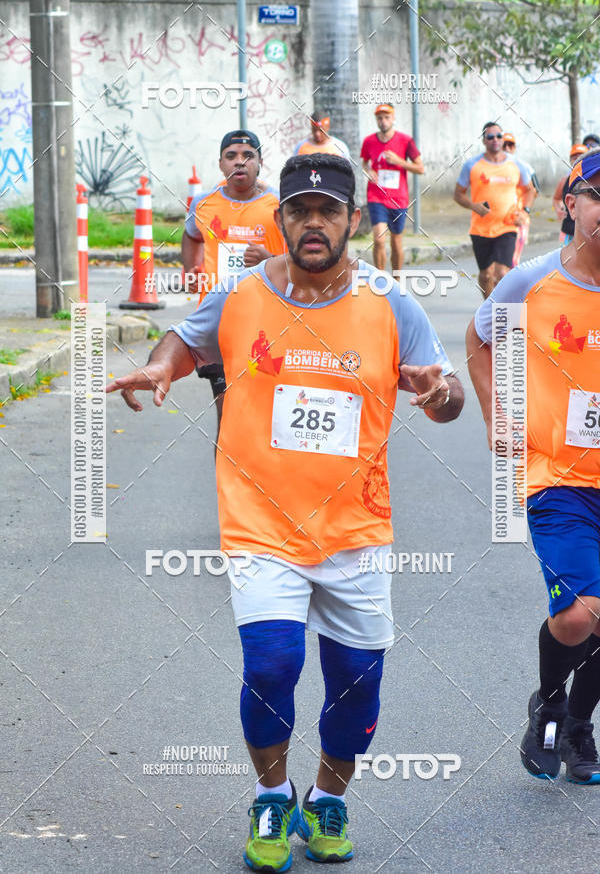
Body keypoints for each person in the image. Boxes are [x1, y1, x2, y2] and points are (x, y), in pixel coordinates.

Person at [108, 153, 464, 870]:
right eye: (300, 211)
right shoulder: (240, 293)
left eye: (328, 211)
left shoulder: (391, 301)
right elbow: (187, 337)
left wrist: (437, 394)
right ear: (281, 219)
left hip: (355, 528)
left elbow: (449, 397)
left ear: (352, 220)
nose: (313, 223)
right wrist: (161, 365)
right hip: (259, 522)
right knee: (272, 663)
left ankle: (327, 798)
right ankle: (272, 794)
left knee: (357, 680)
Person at [466, 147, 600, 785]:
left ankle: (576, 726)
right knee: (580, 613)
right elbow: (479, 339)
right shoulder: (531, 282)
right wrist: (496, 413)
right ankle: (549, 701)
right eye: (598, 195)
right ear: (571, 204)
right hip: (557, 476)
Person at [181, 129, 286, 424]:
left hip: (266, 323)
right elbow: (191, 235)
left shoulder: (280, 206)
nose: (239, 162)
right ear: (220, 164)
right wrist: (190, 270)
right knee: (227, 412)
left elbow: (303, 262)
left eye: (248, 156)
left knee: (263, 413)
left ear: (260, 162)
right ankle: (228, 456)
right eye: (231, 156)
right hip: (218, 321)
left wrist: (269, 261)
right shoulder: (202, 204)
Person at [454, 121, 536, 298]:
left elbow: (530, 190)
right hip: (480, 229)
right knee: (486, 274)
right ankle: (488, 305)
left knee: (502, 273)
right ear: (484, 140)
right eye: (490, 137)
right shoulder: (472, 165)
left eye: (499, 136)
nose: (495, 140)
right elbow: (458, 194)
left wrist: (525, 212)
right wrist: (473, 205)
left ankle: (501, 309)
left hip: (507, 226)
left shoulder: (516, 164)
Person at [360, 103, 424, 272]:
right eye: (380, 118)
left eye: (387, 117)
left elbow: (420, 168)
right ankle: (380, 278)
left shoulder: (406, 141)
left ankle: (396, 278)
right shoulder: (369, 141)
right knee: (379, 239)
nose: (383, 121)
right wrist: (369, 171)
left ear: (393, 118)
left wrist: (398, 161)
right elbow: (364, 163)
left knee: (396, 240)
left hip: (398, 198)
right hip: (376, 195)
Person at [502, 133, 540, 266]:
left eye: (510, 145)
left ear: (514, 147)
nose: (507, 148)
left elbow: (535, 190)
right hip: (499, 221)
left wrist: (524, 211)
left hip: (518, 219)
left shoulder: (524, 167)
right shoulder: (493, 168)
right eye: (504, 145)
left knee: (512, 261)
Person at [552, 144, 587, 245]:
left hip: (589, 234)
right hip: (568, 232)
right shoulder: (564, 181)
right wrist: (558, 209)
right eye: (574, 157)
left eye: (581, 157)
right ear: (570, 161)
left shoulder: (594, 181)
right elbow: (556, 199)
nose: (577, 159)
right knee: (565, 255)